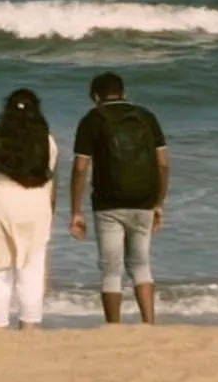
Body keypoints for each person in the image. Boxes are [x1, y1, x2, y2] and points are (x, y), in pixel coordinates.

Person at [68, 71, 169, 324]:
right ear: (124, 93)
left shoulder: (92, 119)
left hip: (108, 203)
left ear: (95, 96)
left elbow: (80, 167)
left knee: (111, 269)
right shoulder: (147, 117)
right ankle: (149, 323)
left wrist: (76, 210)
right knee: (141, 265)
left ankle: (114, 326)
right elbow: (163, 164)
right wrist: (159, 202)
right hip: (144, 199)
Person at [0, 88, 59, 331]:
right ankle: (29, 327)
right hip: (36, 202)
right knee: (32, 269)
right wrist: (50, 213)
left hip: (1, 200)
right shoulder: (48, 141)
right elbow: (50, 181)